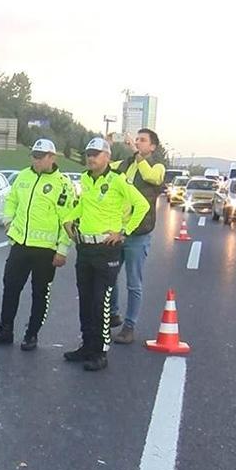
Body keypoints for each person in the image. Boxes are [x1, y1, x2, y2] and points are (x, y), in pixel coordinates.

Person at [64, 138, 151, 371]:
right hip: (84, 247)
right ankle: (87, 345)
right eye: (88, 154)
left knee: (100, 302)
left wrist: (124, 231)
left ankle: (100, 352)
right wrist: (69, 219)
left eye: (96, 154)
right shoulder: (84, 178)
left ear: (107, 157)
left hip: (106, 249)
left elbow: (142, 205)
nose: (91, 158)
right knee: (85, 300)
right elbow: (83, 206)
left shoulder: (116, 180)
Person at [0, 139, 73, 351]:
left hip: (46, 249)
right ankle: (5, 331)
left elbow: (67, 219)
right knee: (10, 288)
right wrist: (8, 219)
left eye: (41, 157)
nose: (36, 160)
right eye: (34, 156)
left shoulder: (63, 184)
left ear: (52, 157)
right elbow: (12, 199)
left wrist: (62, 249)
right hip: (20, 245)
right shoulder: (23, 176)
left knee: (40, 293)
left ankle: (32, 335)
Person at [109, 128, 165, 344]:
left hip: (138, 234)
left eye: (143, 141)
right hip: (117, 232)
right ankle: (113, 313)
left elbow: (152, 177)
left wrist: (138, 156)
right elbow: (105, 168)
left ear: (152, 147)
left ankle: (129, 327)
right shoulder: (124, 165)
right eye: (137, 140)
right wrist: (107, 147)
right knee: (110, 277)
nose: (138, 143)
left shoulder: (156, 167)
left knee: (134, 283)